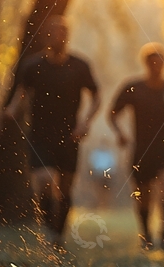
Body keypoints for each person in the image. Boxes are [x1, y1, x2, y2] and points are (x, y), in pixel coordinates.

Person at [6, 16, 100, 243]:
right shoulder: (32, 65)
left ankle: (58, 234)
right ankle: (49, 229)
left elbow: (96, 96)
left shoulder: (80, 65)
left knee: (65, 188)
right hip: (40, 133)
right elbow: (21, 95)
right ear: (47, 37)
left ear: (67, 37)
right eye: (55, 33)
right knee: (45, 181)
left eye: (63, 33)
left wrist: (85, 122)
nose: (59, 36)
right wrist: (8, 113)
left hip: (70, 134)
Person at [110, 43, 164, 253]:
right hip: (142, 149)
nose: (157, 66)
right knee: (144, 196)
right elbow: (112, 113)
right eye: (152, 62)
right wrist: (120, 133)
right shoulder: (133, 88)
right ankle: (147, 235)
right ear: (146, 64)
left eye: (160, 62)